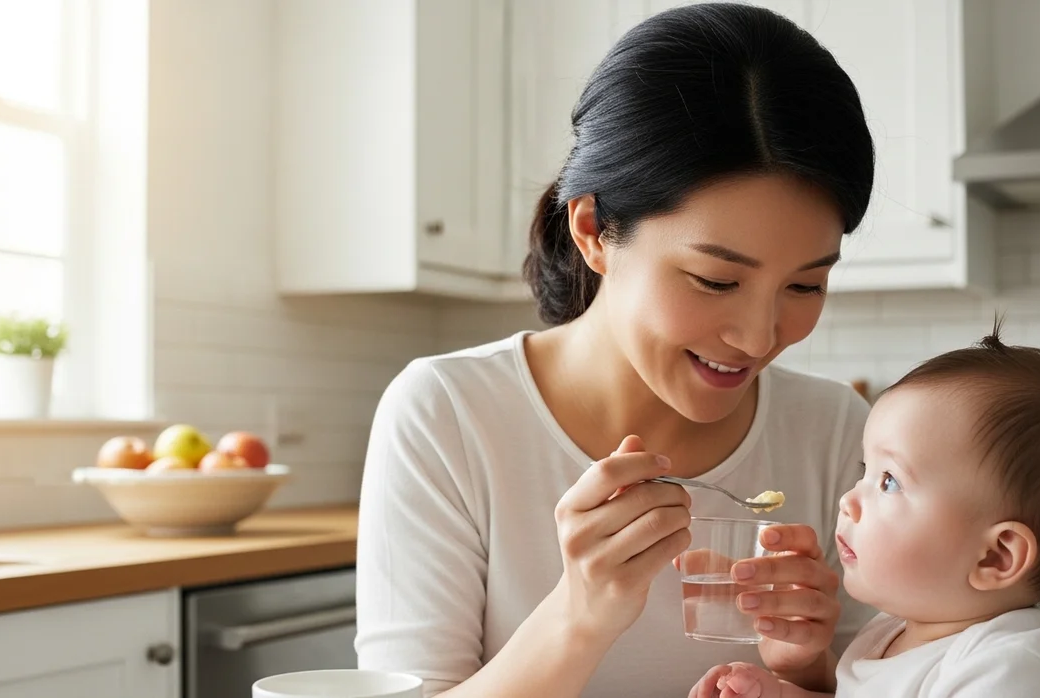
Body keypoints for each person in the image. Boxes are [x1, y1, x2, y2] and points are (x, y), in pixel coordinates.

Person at [355, 4, 876, 697]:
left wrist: (807, 672)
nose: (758, 338)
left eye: (806, 284)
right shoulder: (448, 414)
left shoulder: (836, 432)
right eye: (715, 279)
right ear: (594, 230)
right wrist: (580, 614)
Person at [690, 324, 1040, 698]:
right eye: (865, 471)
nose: (848, 500)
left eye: (889, 481)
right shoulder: (891, 634)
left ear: (995, 556)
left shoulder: (1003, 673)